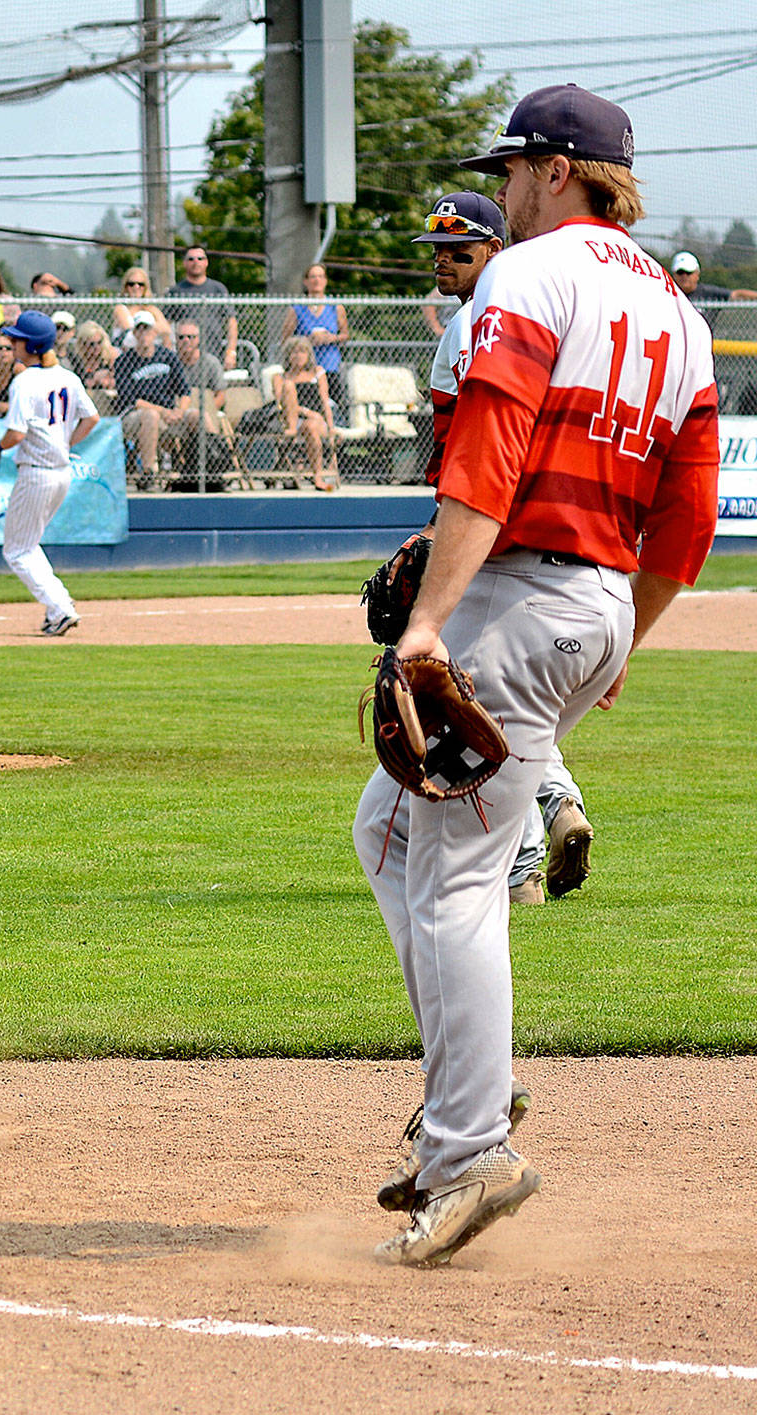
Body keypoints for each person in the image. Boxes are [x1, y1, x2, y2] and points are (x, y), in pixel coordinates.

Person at [357, 84, 718, 1267]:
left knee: (456, 873)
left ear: (557, 170)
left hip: (517, 593)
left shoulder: (528, 273)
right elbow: (688, 515)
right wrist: (620, 641)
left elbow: (488, 448)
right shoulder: (680, 312)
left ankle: (467, 1147)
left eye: (512, 170)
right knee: (389, 835)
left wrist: (428, 621)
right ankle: (469, 1093)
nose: (501, 189)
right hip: (599, 598)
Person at [411, 190, 598, 909]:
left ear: (496, 248)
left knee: (475, 703)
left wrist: (440, 540)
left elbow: (464, 459)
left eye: (460, 247)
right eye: (437, 249)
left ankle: (517, 870)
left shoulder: (475, 329)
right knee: (520, 700)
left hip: (496, 538)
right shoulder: (542, 313)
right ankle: (560, 806)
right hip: (561, 538)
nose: (444, 260)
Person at [0, 311, 98, 636]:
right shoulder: (69, 377)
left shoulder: (25, 381)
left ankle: (60, 608)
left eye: (17, 340)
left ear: (31, 345)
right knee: (28, 545)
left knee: (16, 550)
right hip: (60, 472)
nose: (12, 344)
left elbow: (15, 434)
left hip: (37, 473)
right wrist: (64, 442)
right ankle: (59, 605)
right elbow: (92, 418)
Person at [112, 311, 189, 488]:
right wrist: (163, 411)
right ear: (134, 333)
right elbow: (131, 400)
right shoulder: (124, 361)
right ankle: (148, 473)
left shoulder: (168, 356)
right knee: (150, 416)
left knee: (196, 416)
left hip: (169, 415)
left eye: (147, 329)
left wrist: (180, 411)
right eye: (139, 330)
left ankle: (210, 469)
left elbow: (185, 392)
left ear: (154, 332)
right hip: (134, 417)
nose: (144, 334)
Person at [272, 334, 339, 491]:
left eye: (302, 351)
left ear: (308, 355)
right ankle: (293, 430)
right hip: (293, 420)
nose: (298, 356)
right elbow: (280, 404)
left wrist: (331, 426)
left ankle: (317, 476)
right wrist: (306, 412)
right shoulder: (280, 377)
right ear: (288, 356)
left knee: (311, 427)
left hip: (317, 420)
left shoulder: (317, 372)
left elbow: (325, 401)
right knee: (288, 386)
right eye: (294, 352)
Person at [277, 263, 349, 406]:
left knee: (331, 403)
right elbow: (286, 338)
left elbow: (345, 335)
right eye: (313, 277)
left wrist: (330, 338)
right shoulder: (297, 308)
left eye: (321, 276)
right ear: (306, 281)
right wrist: (306, 341)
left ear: (326, 280)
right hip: (305, 369)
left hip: (329, 366)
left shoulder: (335, 307)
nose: (317, 280)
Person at [168, 320, 228, 483]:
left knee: (201, 415)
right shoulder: (170, 363)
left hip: (207, 414)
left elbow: (221, 396)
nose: (186, 340)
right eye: (181, 337)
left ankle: (215, 465)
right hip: (178, 417)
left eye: (191, 337)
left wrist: (207, 409)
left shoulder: (210, 363)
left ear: (199, 339)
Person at [163, 246, 238, 369]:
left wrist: (231, 352)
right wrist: (168, 350)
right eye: (191, 259)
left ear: (206, 262)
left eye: (200, 258)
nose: (196, 262)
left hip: (214, 353)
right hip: (185, 358)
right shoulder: (176, 291)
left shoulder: (218, 289)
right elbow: (165, 324)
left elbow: (231, 322)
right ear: (185, 263)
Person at [668, 250, 757, 328]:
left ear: (697, 274)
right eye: (680, 272)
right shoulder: (667, 295)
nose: (684, 276)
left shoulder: (708, 293)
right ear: (674, 275)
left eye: (689, 272)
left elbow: (736, 294)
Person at [109, 267, 171, 350]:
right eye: (131, 284)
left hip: (148, 350)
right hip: (127, 352)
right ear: (126, 287)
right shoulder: (121, 308)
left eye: (140, 284)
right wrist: (151, 329)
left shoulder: (151, 309)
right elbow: (129, 327)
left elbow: (166, 329)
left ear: (145, 287)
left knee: (166, 339)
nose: (136, 287)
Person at [70, 320, 115, 398]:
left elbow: (112, 381)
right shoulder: (76, 361)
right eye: (92, 344)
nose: (96, 347)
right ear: (83, 344)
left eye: (99, 342)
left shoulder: (109, 358)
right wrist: (95, 378)